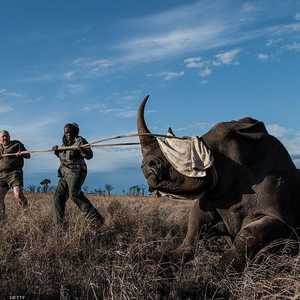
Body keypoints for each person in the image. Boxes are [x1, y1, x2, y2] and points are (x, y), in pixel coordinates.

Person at [52, 122, 104, 227]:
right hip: (64, 173)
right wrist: (56, 151)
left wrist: (82, 149)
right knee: (58, 197)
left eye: (71, 131)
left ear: (76, 132)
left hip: (77, 171)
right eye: (66, 132)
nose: (68, 134)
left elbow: (89, 155)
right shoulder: (63, 144)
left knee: (74, 193)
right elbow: (64, 157)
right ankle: (58, 226)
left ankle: (96, 219)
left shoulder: (80, 141)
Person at [0, 130, 30, 220]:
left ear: (9, 136)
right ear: (0, 139)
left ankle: (26, 211)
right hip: (1, 175)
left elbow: (28, 155)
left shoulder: (16, 144)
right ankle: (2, 217)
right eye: (3, 136)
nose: (5, 138)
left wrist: (21, 154)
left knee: (18, 194)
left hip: (14, 173)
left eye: (6, 136)